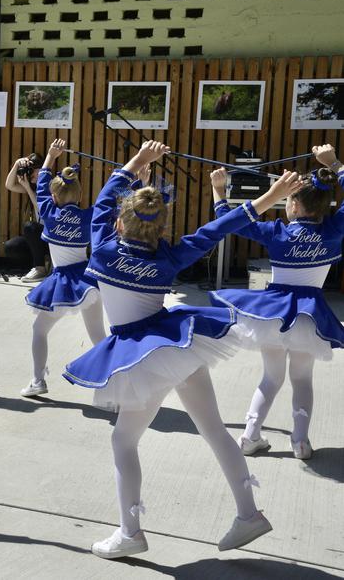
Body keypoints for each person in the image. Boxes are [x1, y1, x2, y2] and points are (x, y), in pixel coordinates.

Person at [63, 141, 304, 559]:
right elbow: (220, 227)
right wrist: (271, 196)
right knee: (213, 429)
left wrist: (139, 160)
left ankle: (130, 532)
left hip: (143, 354)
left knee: (123, 442)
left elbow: (102, 200)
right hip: (179, 344)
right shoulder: (170, 257)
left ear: (118, 223)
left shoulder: (102, 247)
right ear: (161, 230)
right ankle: (248, 513)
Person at [209, 145, 344, 461]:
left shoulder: (276, 232)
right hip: (309, 316)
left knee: (271, 378)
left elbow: (230, 221)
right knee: (302, 379)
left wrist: (218, 191)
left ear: (293, 205)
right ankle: (300, 442)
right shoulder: (334, 230)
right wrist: (335, 163)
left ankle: (250, 436)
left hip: (273, 314)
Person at [20, 139, 105, 398]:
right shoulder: (88, 216)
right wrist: (136, 179)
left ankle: (38, 380)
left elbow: (42, 185)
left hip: (63, 282)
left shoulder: (49, 212)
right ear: (80, 196)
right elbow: (110, 203)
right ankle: (116, 384)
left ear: (55, 197)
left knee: (39, 330)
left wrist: (50, 156)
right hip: (89, 282)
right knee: (98, 335)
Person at [4, 154, 50, 281]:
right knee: (11, 247)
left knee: (30, 227)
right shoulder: (33, 187)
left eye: (33, 170)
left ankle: (40, 268)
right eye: (29, 170)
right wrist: (16, 164)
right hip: (40, 240)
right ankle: (39, 263)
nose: (31, 174)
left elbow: (42, 210)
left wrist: (28, 188)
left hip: (52, 238)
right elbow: (9, 185)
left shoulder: (52, 185)